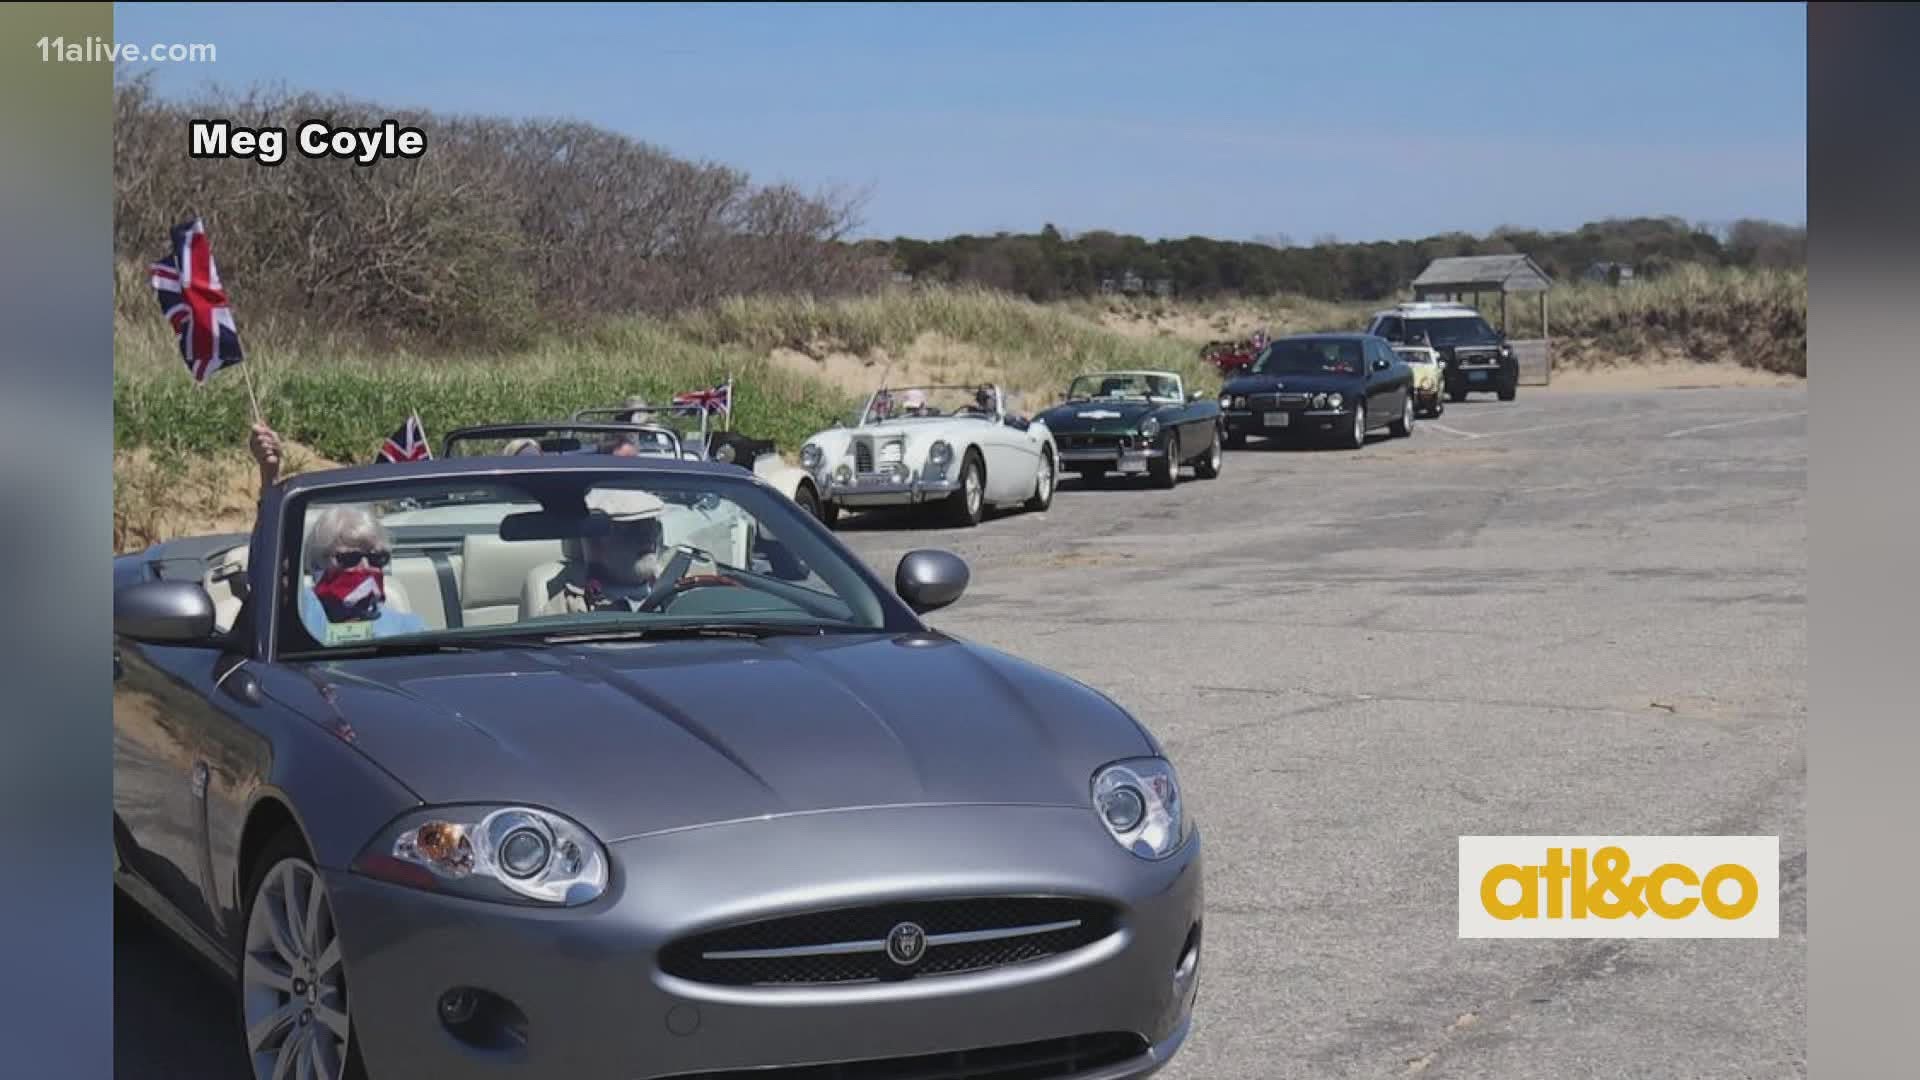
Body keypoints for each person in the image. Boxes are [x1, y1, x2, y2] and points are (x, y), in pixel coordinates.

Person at [248, 423, 428, 643]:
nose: (365, 568)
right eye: (349, 558)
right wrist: (270, 479)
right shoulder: (303, 614)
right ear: (317, 565)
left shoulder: (410, 628)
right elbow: (269, 573)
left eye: (377, 558)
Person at [523, 487, 671, 616]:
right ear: (594, 543)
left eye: (652, 526)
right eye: (632, 528)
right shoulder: (568, 607)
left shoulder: (678, 584)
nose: (648, 537)